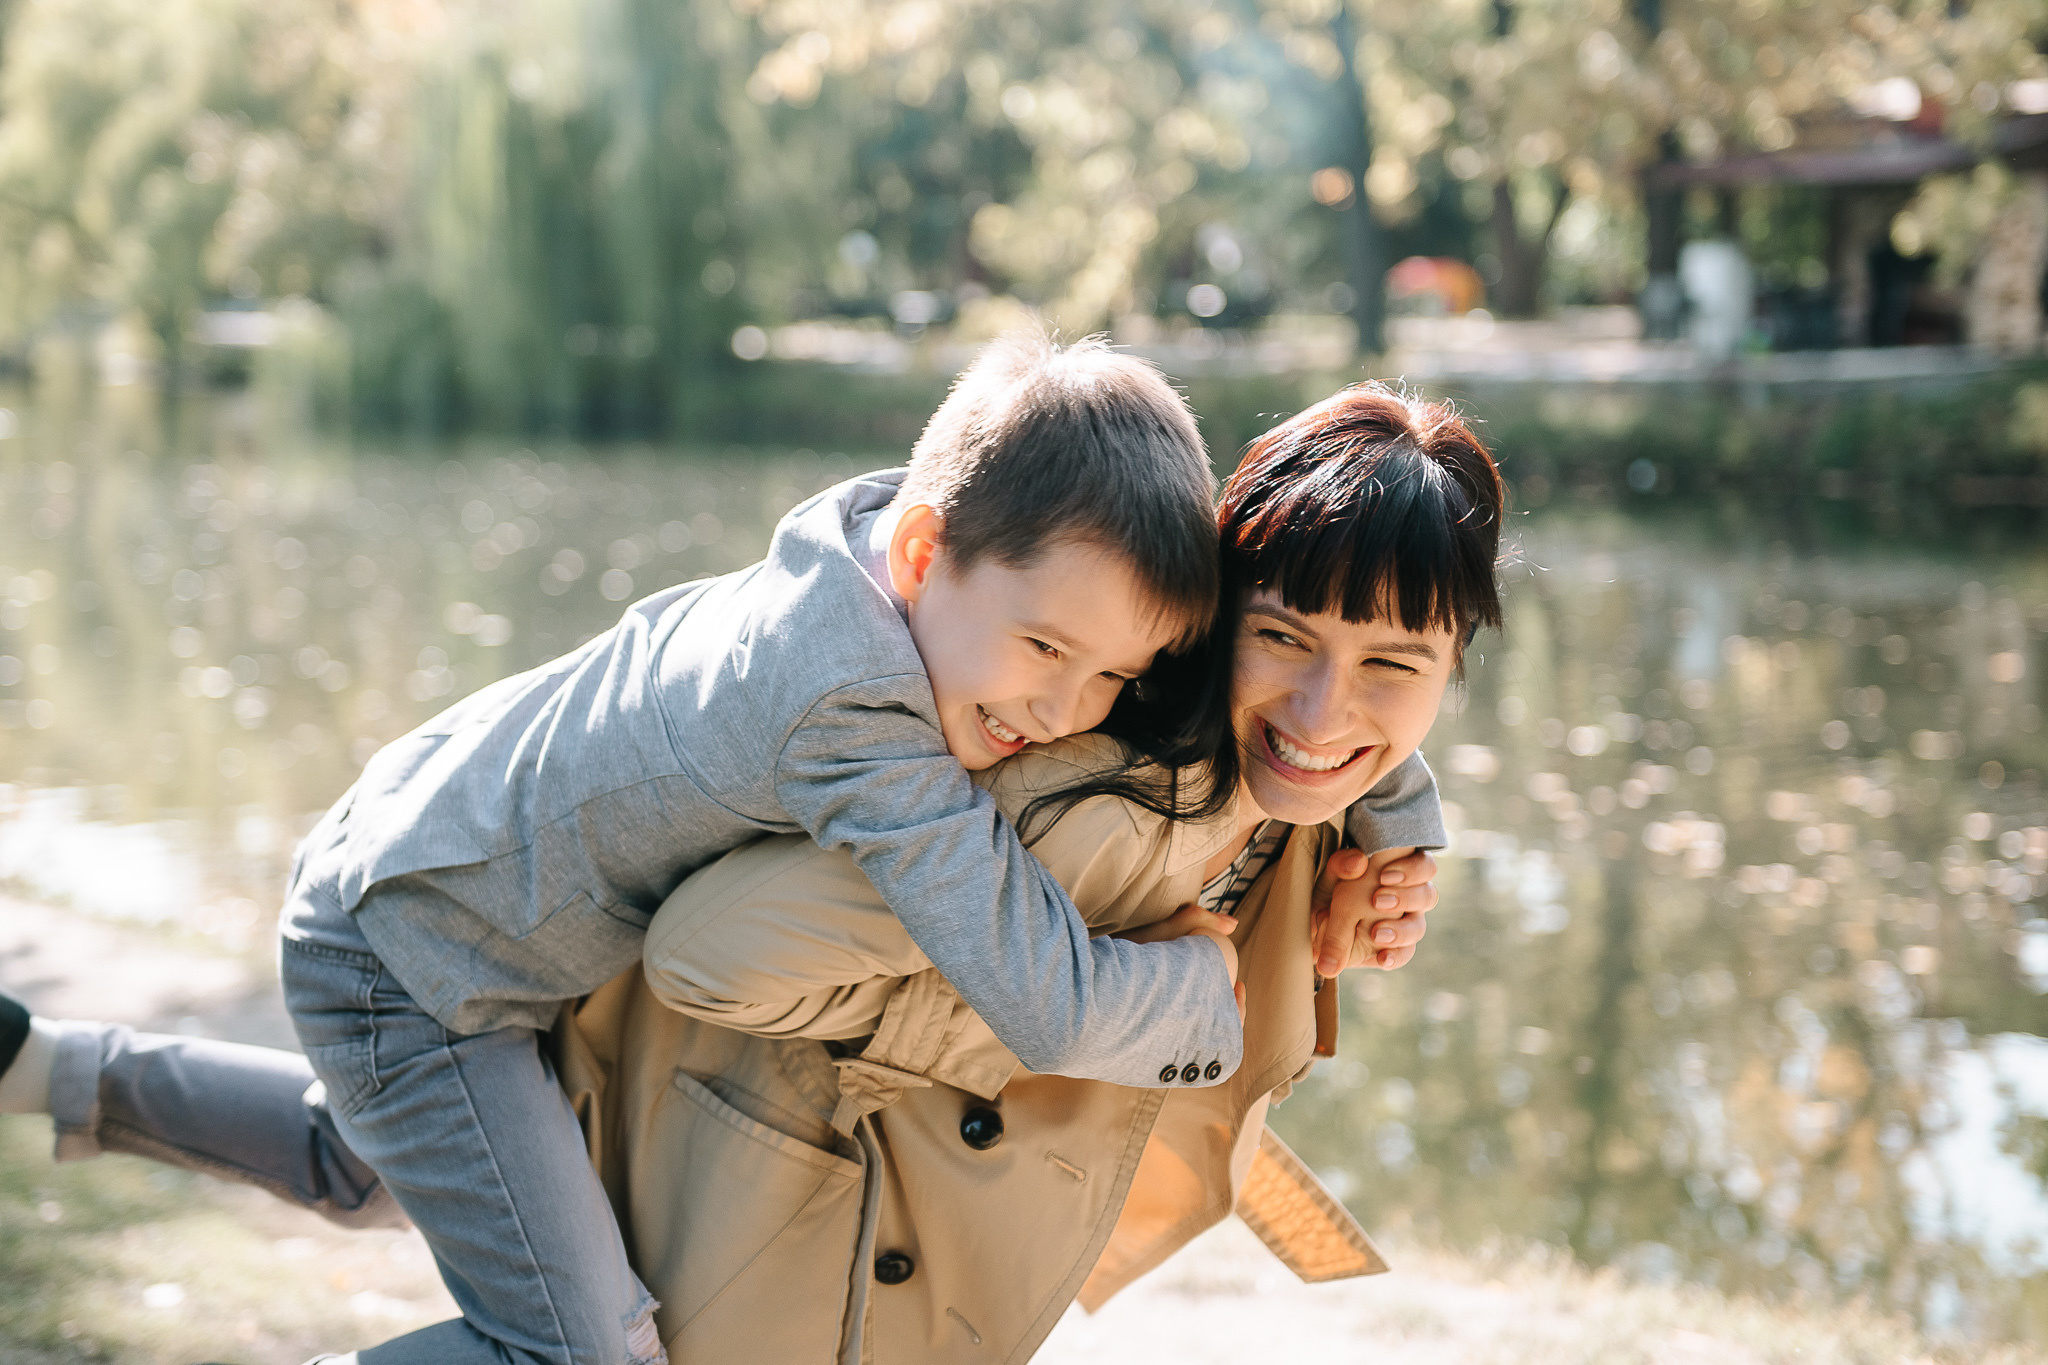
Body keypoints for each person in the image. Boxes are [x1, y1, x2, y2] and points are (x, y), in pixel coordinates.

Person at [0, 335, 1445, 1365]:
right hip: (414, 958)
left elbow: (1297, 684)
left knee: (370, 1158)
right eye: (1048, 654)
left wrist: (1386, 807)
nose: (1068, 711)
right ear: (928, 555)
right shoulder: (854, 718)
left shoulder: (929, 548)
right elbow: (1047, 998)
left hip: (444, 875)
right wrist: (1201, 999)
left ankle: (48, 1070)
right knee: (584, 1347)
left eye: (1112, 677)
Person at [552, 380, 1504, 1361]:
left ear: (1449, 668)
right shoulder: (1072, 799)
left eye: (1392, 667)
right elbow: (702, 961)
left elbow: (1347, 703)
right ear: (1214, 618)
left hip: (925, 1248)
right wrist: (1141, 993)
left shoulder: (1300, 787)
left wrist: (1392, 827)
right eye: (1280, 638)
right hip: (776, 1229)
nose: (1319, 713)